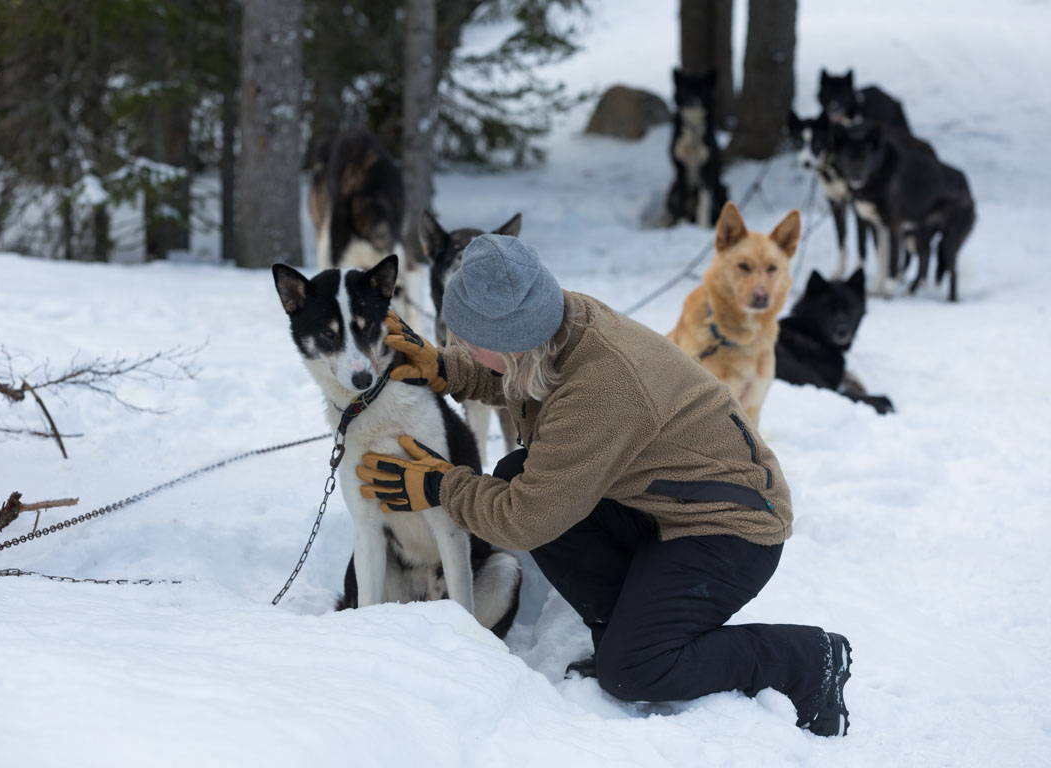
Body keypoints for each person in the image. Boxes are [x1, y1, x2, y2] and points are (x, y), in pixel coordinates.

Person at [355, 234, 852, 737]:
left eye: (465, 339)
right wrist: (446, 368)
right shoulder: (561, 325)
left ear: (511, 342)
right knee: (515, 477)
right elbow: (524, 381)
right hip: (665, 503)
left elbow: (525, 519)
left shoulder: (600, 389)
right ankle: (627, 632)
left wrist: (441, 488)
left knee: (634, 669)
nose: (457, 341)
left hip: (732, 526)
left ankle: (807, 659)